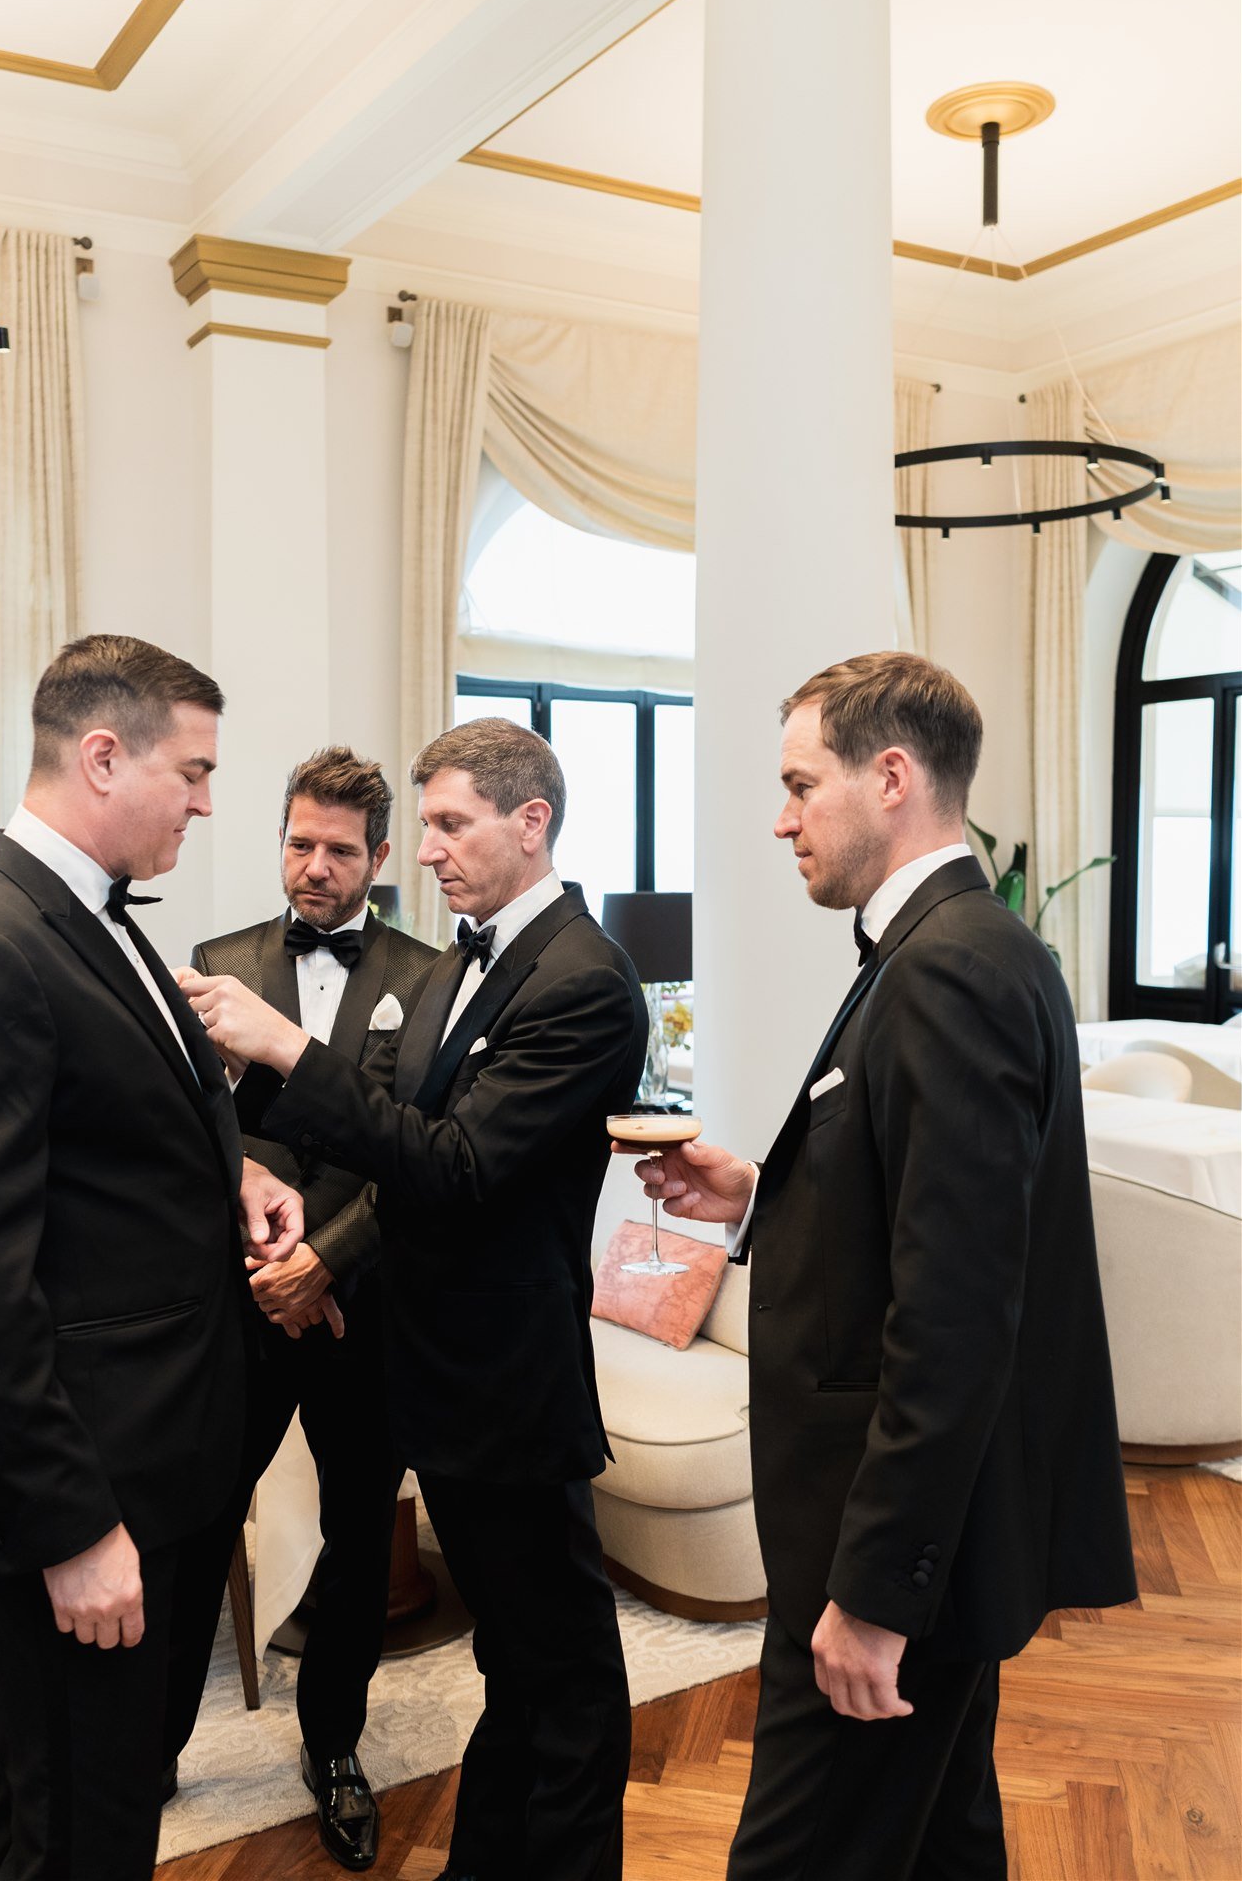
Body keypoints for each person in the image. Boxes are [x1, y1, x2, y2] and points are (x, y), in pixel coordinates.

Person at [623, 651, 1136, 1881]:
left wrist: (876, 1594)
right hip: (925, 1539)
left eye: (802, 784)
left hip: (892, 1549)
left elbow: (956, 1315)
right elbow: (919, 1216)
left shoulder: (949, 968)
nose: (781, 818)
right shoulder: (956, 947)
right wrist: (763, 1189)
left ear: (891, 776)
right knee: (942, 1843)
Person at [184, 717, 649, 1881]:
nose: (430, 848)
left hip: (511, 1385)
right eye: (428, 823)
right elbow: (387, 1124)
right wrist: (253, 1152)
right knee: (517, 1666)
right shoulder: (458, 964)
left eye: (449, 822)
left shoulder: (586, 978)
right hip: (438, 1377)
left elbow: (455, 1163)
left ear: (530, 821)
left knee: (569, 1683)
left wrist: (285, 1046)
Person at [0, 633, 302, 1881]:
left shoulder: (86, 918)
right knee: (87, 1831)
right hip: (86, 1487)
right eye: (195, 770)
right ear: (103, 755)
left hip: (164, 1457)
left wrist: (236, 1176)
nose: (208, 802)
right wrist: (72, 1527)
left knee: (51, 1795)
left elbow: (105, 1140)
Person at [170, 745, 436, 1872]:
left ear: (380, 856)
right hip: (240, 1307)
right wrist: (264, 1260)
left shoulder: (430, 977)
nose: (314, 866)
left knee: (358, 1537)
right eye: (298, 843)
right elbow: (192, 1132)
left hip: (363, 1310)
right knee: (195, 1527)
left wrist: (326, 1260)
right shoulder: (217, 963)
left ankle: (332, 1746)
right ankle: (153, 1742)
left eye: (338, 850)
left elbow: (419, 1155)